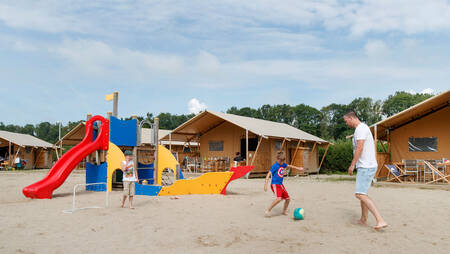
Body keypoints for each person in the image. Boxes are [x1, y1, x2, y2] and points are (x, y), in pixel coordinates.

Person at [344, 111, 388, 230]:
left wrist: (352, 165)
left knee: (359, 194)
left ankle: (380, 220)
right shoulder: (361, 128)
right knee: (362, 193)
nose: (346, 123)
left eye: (346, 121)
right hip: (367, 165)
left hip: (366, 166)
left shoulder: (360, 129)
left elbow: (360, 147)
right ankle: (363, 219)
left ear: (351, 118)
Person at [264, 151, 304, 217]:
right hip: (275, 184)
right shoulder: (275, 166)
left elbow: (290, 166)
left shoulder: (283, 164)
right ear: (277, 159)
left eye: (283, 161)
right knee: (279, 198)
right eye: (280, 161)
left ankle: (284, 211)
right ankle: (268, 211)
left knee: (288, 199)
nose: (282, 163)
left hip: (280, 184)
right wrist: (265, 185)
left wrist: (298, 168)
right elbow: (268, 174)